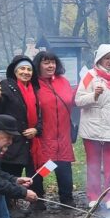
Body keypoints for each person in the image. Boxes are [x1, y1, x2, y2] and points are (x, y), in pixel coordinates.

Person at [0, 55, 41, 218]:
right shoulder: (6, 86)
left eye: (29, 69)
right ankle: (9, 207)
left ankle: (27, 201)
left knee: (31, 173)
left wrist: (37, 129)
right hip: (12, 138)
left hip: (31, 139)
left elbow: (41, 113)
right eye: (22, 69)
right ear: (15, 70)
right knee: (12, 172)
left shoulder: (34, 88)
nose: (26, 72)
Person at [76, 44, 110, 208]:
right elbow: (78, 100)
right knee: (93, 163)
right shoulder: (90, 76)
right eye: (107, 58)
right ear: (100, 59)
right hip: (92, 127)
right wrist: (94, 95)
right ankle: (94, 195)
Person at [33, 51, 75, 209]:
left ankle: (66, 197)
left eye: (53, 62)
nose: (50, 65)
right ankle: (38, 199)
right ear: (38, 65)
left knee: (64, 166)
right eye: (46, 62)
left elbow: (72, 100)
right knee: (44, 167)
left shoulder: (63, 81)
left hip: (63, 134)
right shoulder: (34, 84)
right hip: (44, 135)